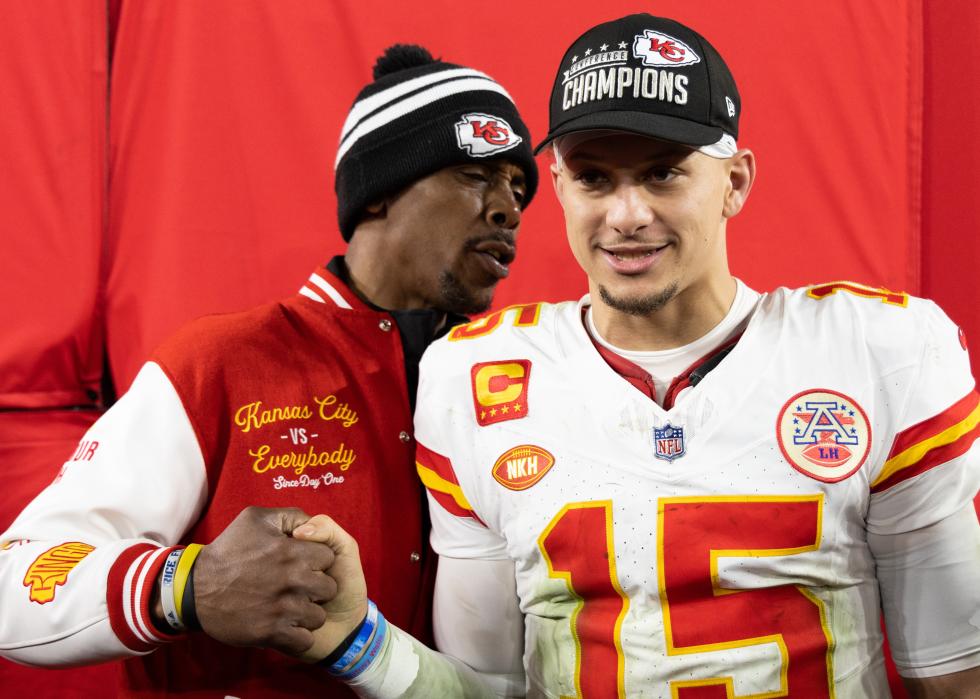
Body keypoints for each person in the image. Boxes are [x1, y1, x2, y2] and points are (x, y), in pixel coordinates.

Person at [292, 14, 980, 698]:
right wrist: (361, 643)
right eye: (594, 178)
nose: (626, 214)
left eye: (663, 174)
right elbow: (487, 686)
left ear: (734, 182)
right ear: (558, 186)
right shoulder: (471, 375)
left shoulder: (878, 350)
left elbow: (953, 674)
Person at [0, 44, 537, 697]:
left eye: (517, 185)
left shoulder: (521, 383)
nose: (509, 208)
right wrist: (186, 585)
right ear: (379, 192)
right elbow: (15, 585)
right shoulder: (222, 360)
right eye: (475, 175)